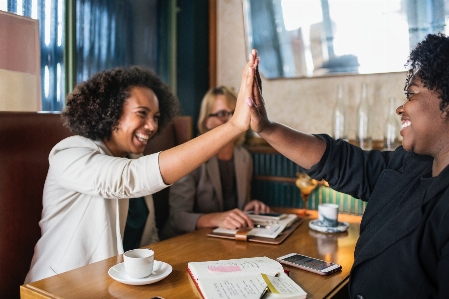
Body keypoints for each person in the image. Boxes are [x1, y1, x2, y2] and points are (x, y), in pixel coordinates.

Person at [25, 52, 259, 283]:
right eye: (142, 114)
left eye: (156, 117)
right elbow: (128, 179)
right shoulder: (69, 152)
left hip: (115, 288)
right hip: (58, 288)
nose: (152, 126)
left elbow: (149, 239)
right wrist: (234, 125)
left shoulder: (134, 160)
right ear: (111, 112)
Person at [248, 33, 449, 298]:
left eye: (411, 94)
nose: (401, 108)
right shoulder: (412, 165)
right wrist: (266, 127)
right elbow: (342, 162)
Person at [161, 86, 270, 239]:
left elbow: (234, 209)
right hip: (188, 242)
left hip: (225, 240)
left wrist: (249, 208)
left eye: (235, 113)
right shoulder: (191, 157)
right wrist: (215, 219)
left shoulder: (243, 157)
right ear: (207, 121)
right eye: (222, 114)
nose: (232, 119)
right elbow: (177, 219)